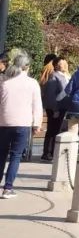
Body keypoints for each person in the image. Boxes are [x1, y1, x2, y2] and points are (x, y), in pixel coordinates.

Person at [0, 52, 44, 198]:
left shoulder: (4, 81)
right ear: (27, 66)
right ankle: (8, 187)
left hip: (3, 122)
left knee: (1, 154)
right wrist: (36, 124)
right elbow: (37, 106)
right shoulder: (32, 83)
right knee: (16, 155)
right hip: (23, 123)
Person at [40, 57, 69, 162]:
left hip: (63, 107)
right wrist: (55, 109)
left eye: (65, 62)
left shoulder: (66, 76)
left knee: (57, 129)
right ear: (56, 65)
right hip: (55, 107)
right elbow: (51, 95)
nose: (64, 65)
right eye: (61, 63)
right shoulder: (54, 76)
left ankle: (53, 152)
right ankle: (48, 152)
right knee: (52, 130)